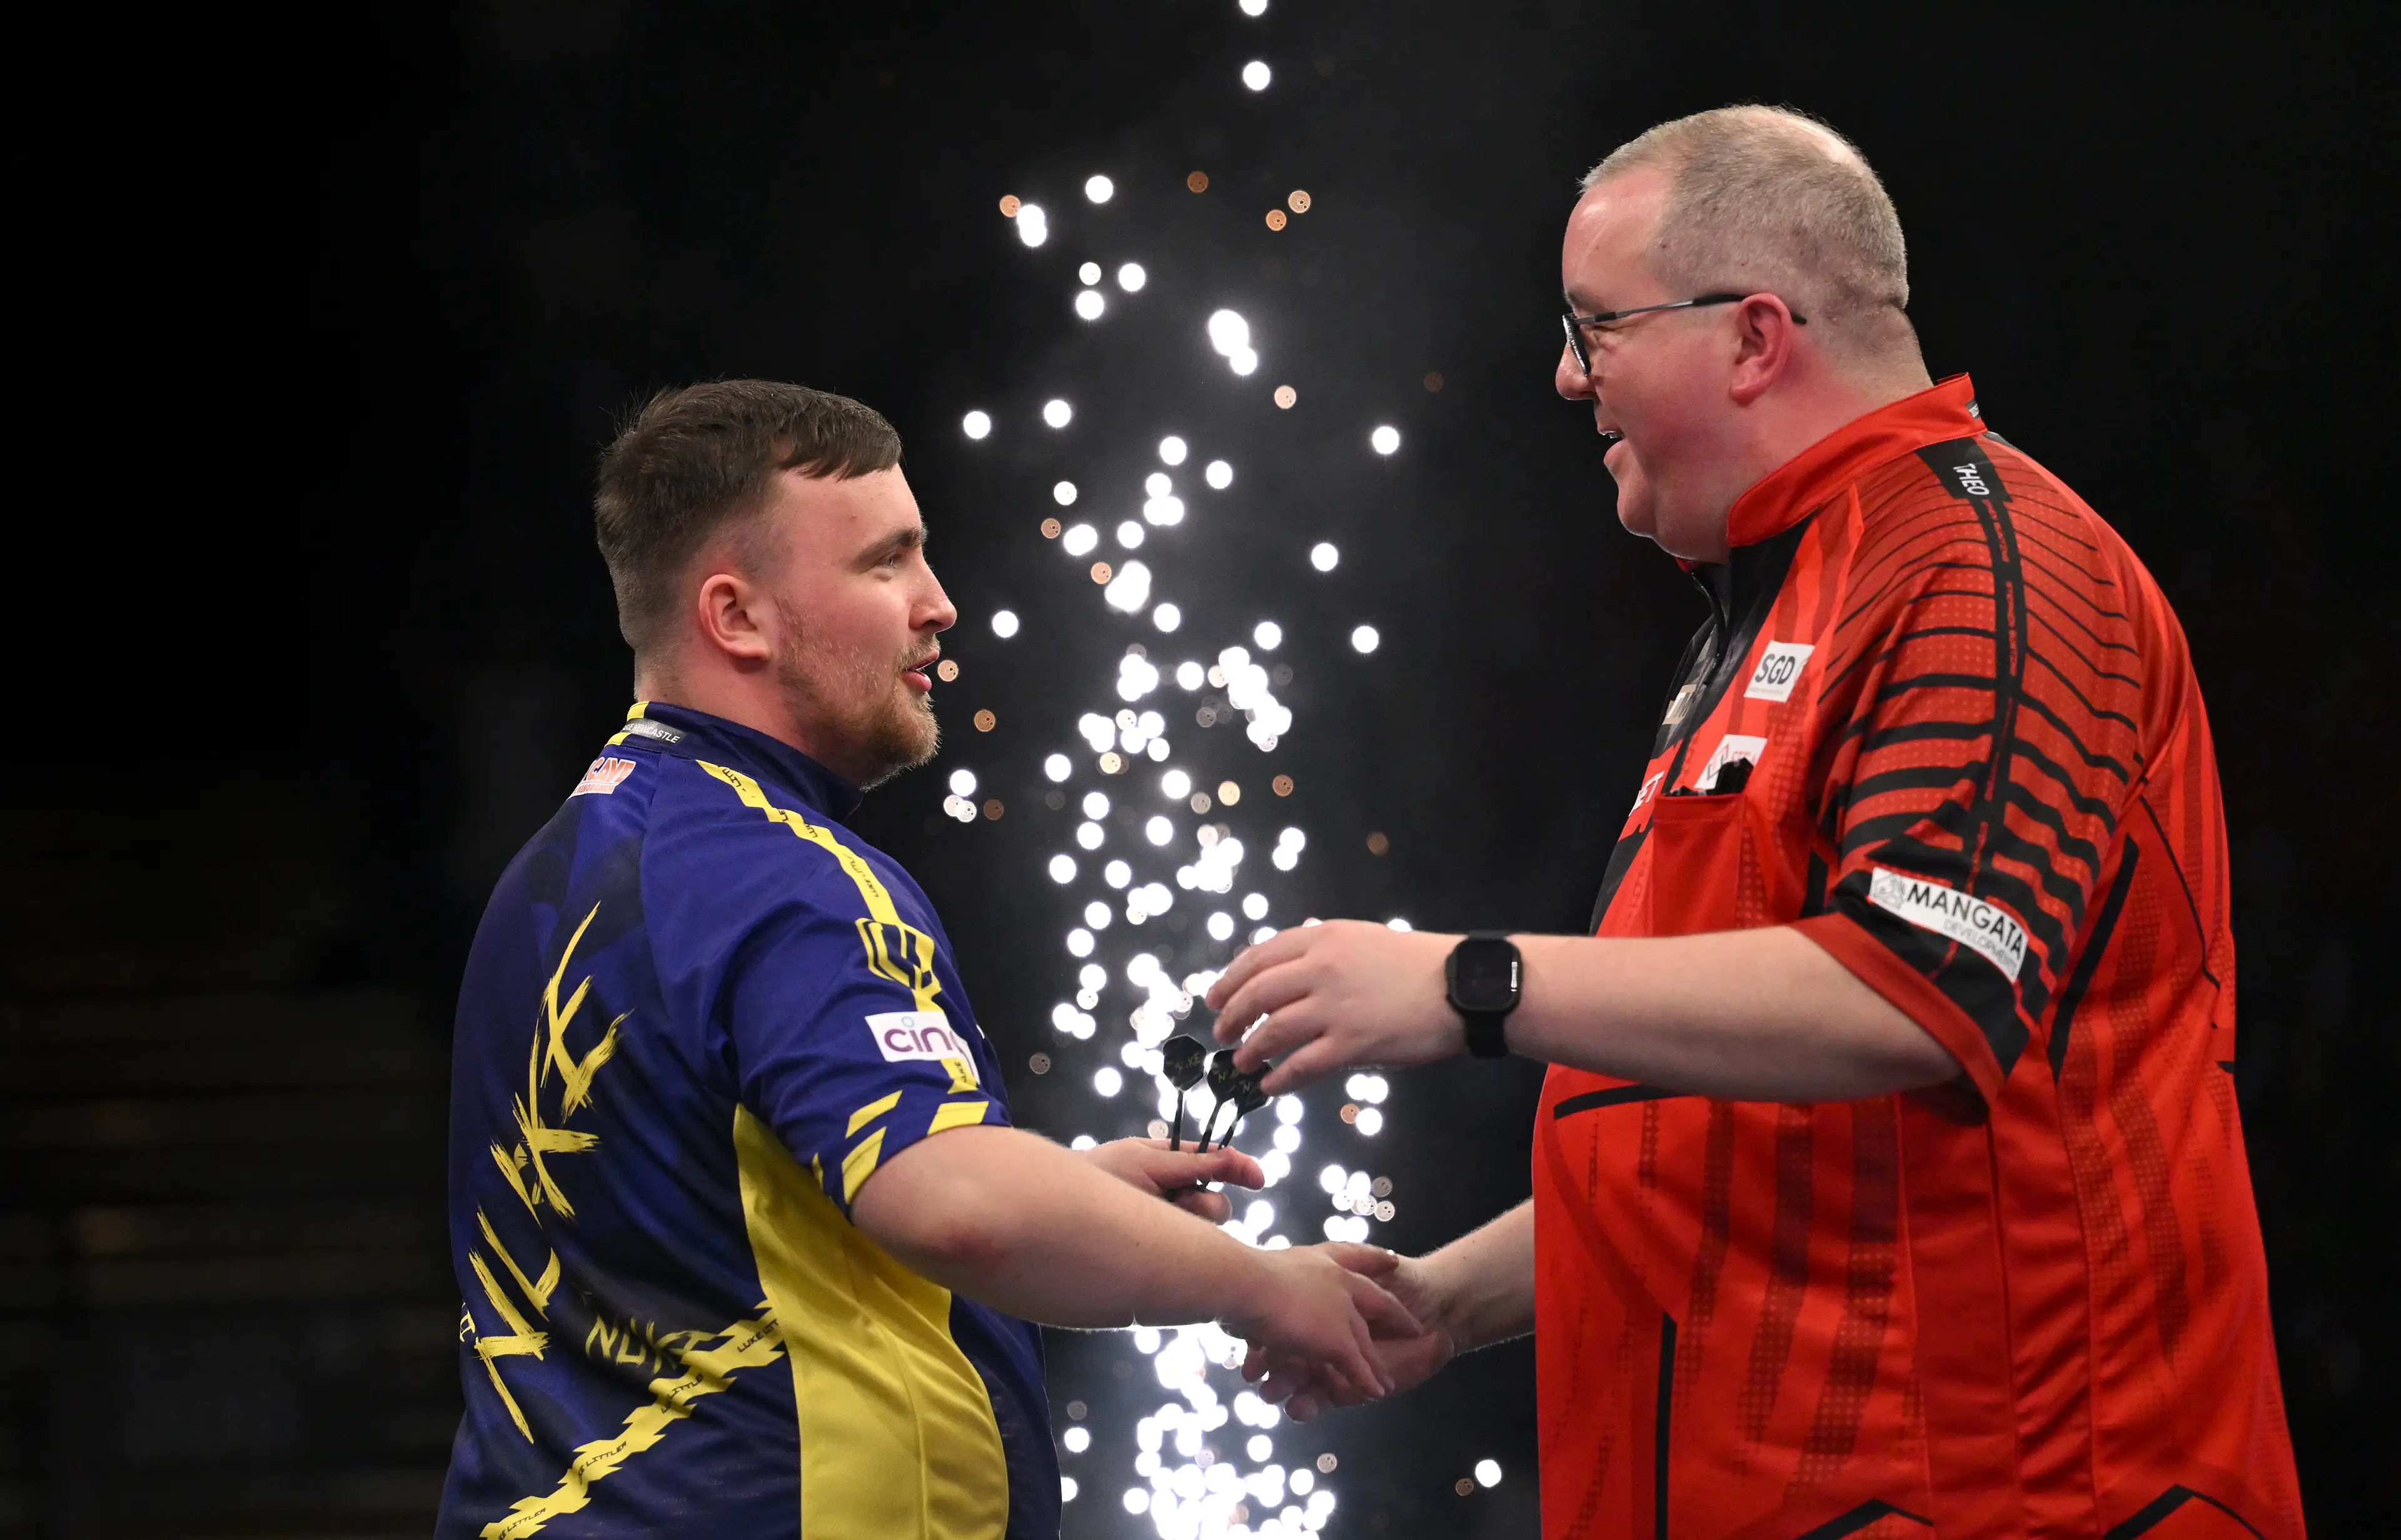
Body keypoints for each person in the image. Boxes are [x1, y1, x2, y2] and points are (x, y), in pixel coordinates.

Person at [1211, 108, 2305, 1539]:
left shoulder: (1987, 563)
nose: (1563, 374)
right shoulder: (1783, 607)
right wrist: (1443, 1303)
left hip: (2003, 1500)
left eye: (1593, 326)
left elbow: (1923, 989)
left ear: (1753, 337)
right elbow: (1730, 1118)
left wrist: (1467, 981)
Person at [436, 381, 1416, 1540]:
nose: (939, 604)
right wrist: (1263, 1286)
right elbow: (953, 1207)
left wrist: (1068, 1198)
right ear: (736, 617)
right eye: (885, 563)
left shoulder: (567, 867)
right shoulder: (777, 870)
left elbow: (706, 1245)